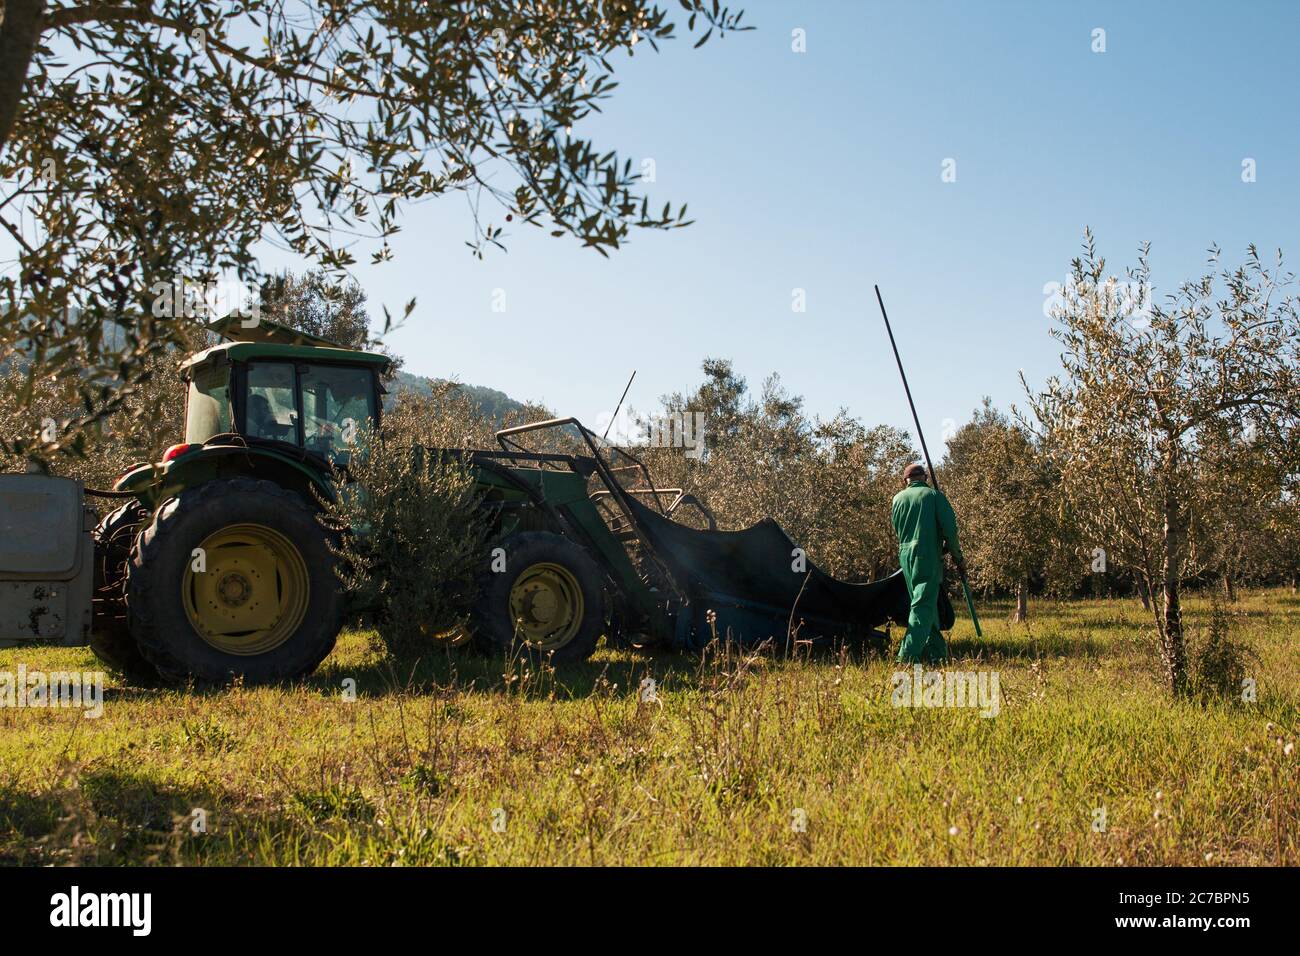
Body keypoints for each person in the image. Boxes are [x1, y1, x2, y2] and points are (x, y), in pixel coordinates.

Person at [890, 463, 966, 664]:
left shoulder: (897, 499)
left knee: (924, 604)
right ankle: (906, 656)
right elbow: (950, 530)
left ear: (905, 480)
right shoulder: (934, 496)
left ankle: (937, 653)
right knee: (923, 605)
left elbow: (898, 530)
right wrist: (958, 557)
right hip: (927, 555)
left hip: (905, 555)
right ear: (925, 477)